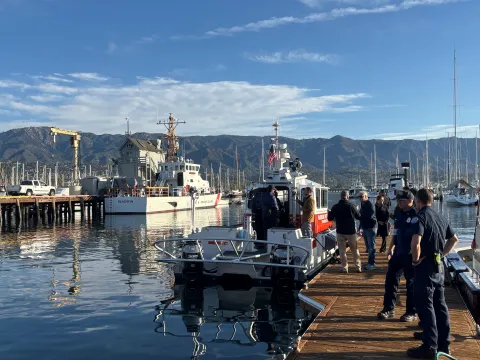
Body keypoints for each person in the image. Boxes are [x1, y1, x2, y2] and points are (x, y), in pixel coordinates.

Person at [407, 189, 459, 359]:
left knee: (425, 305)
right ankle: (444, 343)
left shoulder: (420, 217)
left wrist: (415, 260)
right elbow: (454, 239)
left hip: (425, 267)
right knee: (440, 305)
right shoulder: (440, 217)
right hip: (438, 267)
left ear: (418, 201)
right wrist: (442, 254)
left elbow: (416, 242)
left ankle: (429, 346)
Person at [377, 190, 417, 322]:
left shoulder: (416, 214)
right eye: (398, 200)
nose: (399, 202)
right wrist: (390, 248)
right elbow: (395, 231)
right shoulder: (398, 212)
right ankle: (388, 308)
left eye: (402, 200)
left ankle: (411, 312)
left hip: (410, 254)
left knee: (411, 284)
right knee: (390, 279)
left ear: (410, 201)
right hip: (398, 252)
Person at [327, 190, 362, 273]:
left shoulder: (335, 206)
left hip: (340, 231)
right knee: (354, 250)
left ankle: (344, 267)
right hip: (351, 231)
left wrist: (330, 214)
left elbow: (330, 218)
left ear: (341, 197)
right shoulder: (351, 205)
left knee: (342, 251)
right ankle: (358, 267)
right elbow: (359, 217)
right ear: (348, 196)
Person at [358, 191, 377, 270]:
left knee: (372, 247)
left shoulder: (370, 204)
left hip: (371, 227)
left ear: (366, 196)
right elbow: (362, 218)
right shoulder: (363, 205)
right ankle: (370, 262)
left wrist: (360, 215)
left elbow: (370, 216)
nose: (360, 198)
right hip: (365, 228)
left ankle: (372, 264)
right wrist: (359, 227)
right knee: (368, 247)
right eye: (359, 197)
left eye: (361, 196)